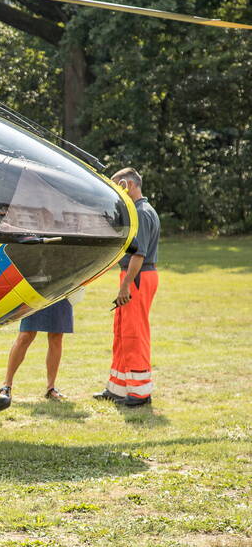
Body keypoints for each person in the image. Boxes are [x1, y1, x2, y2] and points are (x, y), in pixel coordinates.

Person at [94, 167, 160, 407]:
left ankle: (140, 392)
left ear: (128, 184)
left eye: (116, 186)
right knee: (122, 331)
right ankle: (118, 388)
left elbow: (138, 255)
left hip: (138, 276)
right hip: (135, 276)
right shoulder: (138, 211)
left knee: (134, 332)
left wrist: (125, 285)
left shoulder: (141, 213)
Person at [0, 297, 74, 401]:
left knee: (56, 337)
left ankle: (51, 388)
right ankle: (6, 385)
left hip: (61, 291)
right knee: (25, 336)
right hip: (38, 291)